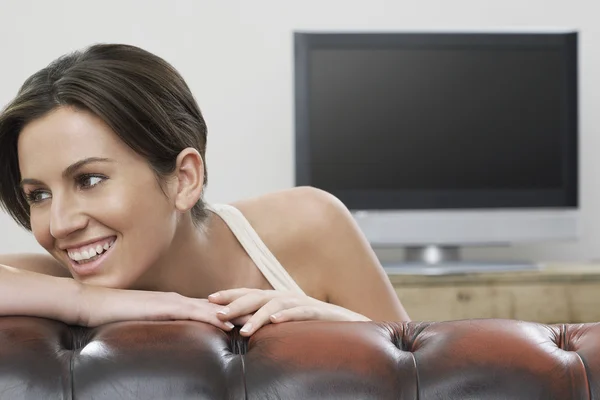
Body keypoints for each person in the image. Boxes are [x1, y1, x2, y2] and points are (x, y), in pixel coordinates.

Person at [0, 43, 410, 336]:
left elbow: (421, 375)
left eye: (89, 180)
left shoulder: (310, 225)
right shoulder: (53, 282)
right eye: (39, 194)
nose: (59, 224)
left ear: (185, 178)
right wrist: (82, 302)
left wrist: (355, 333)